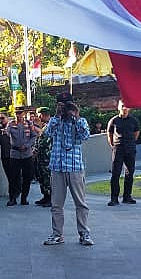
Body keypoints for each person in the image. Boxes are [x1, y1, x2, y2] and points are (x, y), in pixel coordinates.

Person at [43, 95, 92, 246]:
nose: (65, 108)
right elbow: (47, 133)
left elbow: (85, 136)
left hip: (75, 167)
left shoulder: (80, 121)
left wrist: (76, 116)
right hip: (57, 167)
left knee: (81, 203)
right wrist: (57, 115)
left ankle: (84, 234)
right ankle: (57, 234)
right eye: (62, 105)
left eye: (67, 105)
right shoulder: (55, 121)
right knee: (56, 204)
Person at [107, 99, 140, 206]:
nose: (124, 109)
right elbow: (110, 134)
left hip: (130, 149)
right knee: (115, 174)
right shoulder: (114, 120)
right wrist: (113, 145)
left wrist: (131, 143)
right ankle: (114, 198)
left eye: (126, 107)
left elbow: (136, 133)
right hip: (118, 149)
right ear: (118, 107)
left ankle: (127, 197)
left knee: (130, 173)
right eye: (122, 106)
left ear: (129, 108)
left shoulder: (134, 121)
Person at [7, 110, 38, 206]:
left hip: (26, 154)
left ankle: (24, 198)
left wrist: (27, 145)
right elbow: (7, 132)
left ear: (24, 115)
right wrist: (5, 131)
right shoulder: (11, 124)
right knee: (13, 177)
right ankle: (12, 198)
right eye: (17, 114)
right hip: (15, 154)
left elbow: (34, 136)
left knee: (27, 177)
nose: (19, 116)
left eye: (20, 114)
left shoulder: (29, 124)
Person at [33, 107, 53, 206]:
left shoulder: (51, 126)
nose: (38, 117)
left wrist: (37, 149)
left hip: (47, 157)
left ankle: (50, 198)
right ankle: (45, 196)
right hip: (41, 157)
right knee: (42, 177)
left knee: (47, 178)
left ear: (44, 114)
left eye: (39, 115)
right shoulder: (45, 126)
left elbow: (45, 142)